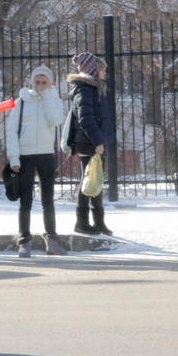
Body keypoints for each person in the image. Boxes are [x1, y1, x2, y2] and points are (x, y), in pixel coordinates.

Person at [5, 64, 67, 257]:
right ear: (31, 82)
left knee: (48, 200)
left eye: (44, 82)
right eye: (37, 82)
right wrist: (14, 157)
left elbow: (57, 120)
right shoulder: (22, 101)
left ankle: (52, 241)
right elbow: (11, 131)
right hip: (25, 156)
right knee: (25, 201)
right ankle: (24, 241)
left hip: (47, 154)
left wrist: (48, 95)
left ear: (51, 83)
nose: (40, 85)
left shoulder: (54, 99)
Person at [66, 52, 113, 236]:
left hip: (95, 142)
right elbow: (86, 119)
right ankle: (82, 222)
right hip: (90, 143)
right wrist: (99, 141)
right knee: (89, 181)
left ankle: (98, 221)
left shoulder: (94, 88)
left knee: (96, 181)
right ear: (93, 71)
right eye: (102, 70)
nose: (105, 74)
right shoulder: (84, 90)